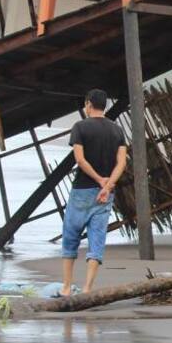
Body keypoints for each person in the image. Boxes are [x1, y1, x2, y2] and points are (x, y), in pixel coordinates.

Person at [59, 88, 127, 296]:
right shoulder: (117, 131)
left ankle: (67, 287)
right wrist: (107, 186)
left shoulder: (80, 127)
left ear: (89, 104)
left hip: (82, 190)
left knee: (70, 237)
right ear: (104, 105)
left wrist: (98, 179)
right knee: (97, 239)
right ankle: (87, 288)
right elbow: (121, 162)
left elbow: (80, 160)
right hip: (104, 195)